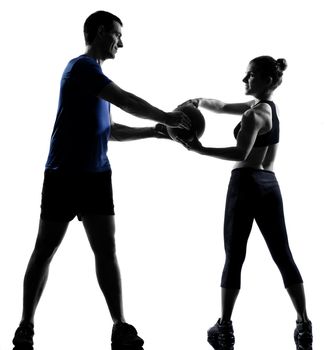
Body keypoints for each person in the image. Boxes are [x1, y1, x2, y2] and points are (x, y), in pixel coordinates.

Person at [12, 10, 191, 350]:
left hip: (96, 176)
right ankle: (25, 326)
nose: (121, 43)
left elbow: (110, 131)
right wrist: (166, 116)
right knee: (45, 249)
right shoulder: (82, 68)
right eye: (116, 35)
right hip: (63, 174)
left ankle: (120, 326)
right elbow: (125, 100)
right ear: (98, 32)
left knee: (106, 250)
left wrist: (155, 131)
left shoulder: (96, 80)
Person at [179, 56, 313, 350]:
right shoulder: (266, 109)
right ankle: (304, 325)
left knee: (234, 255)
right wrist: (198, 101)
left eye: (250, 75)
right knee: (283, 254)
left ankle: (224, 327)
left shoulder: (254, 116)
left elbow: (241, 152)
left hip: (245, 184)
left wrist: (201, 150)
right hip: (270, 185)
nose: (244, 79)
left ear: (266, 80)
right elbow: (224, 107)